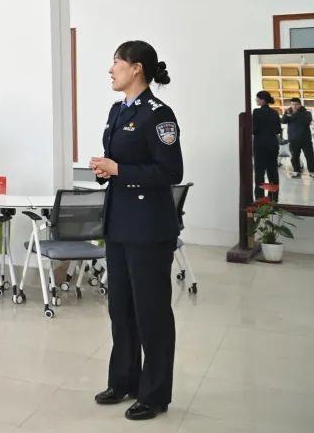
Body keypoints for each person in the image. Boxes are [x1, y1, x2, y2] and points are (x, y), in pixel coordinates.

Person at [90, 40, 183, 422]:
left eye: (116, 62)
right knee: (121, 308)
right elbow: (118, 162)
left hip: (148, 227)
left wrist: (120, 170)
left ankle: (155, 393)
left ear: (137, 68)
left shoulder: (158, 114)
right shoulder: (118, 110)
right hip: (119, 223)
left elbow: (170, 172)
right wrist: (105, 170)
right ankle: (123, 380)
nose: (111, 69)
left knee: (151, 312)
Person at [252, 91, 281, 199]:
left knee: (260, 172)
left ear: (263, 100)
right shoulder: (274, 112)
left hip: (260, 145)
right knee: (273, 172)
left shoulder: (256, 112)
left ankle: (260, 198)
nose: (256, 100)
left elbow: (254, 130)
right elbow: (278, 129)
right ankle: (273, 198)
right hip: (273, 144)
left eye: (257, 98)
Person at [281, 97, 313, 179]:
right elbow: (283, 121)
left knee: (309, 156)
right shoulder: (288, 112)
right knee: (294, 157)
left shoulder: (306, 113)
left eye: (296, 104)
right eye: (292, 104)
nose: (294, 106)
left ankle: (312, 172)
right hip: (293, 139)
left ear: (300, 105)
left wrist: (294, 114)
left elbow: (306, 122)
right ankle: (297, 171)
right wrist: (287, 114)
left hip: (305, 139)